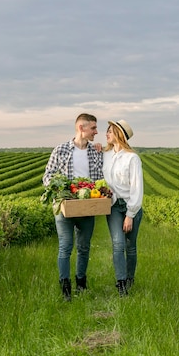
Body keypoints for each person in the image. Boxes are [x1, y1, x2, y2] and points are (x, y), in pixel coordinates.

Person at [42, 113, 104, 301]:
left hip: (87, 207)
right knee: (65, 247)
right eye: (93, 128)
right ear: (81, 128)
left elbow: (103, 174)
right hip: (65, 206)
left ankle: (81, 284)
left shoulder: (95, 151)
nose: (96, 131)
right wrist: (63, 190)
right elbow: (47, 177)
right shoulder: (60, 150)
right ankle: (65, 287)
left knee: (84, 247)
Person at [102, 119, 144, 297]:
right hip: (112, 206)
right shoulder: (106, 154)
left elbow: (136, 188)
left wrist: (130, 214)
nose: (106, 134)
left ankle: (129, 279)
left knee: (130, 246)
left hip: (130, 206)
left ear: (119, 134)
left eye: (110, 131)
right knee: (118, 244)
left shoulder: (132, 158)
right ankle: (121, 285)